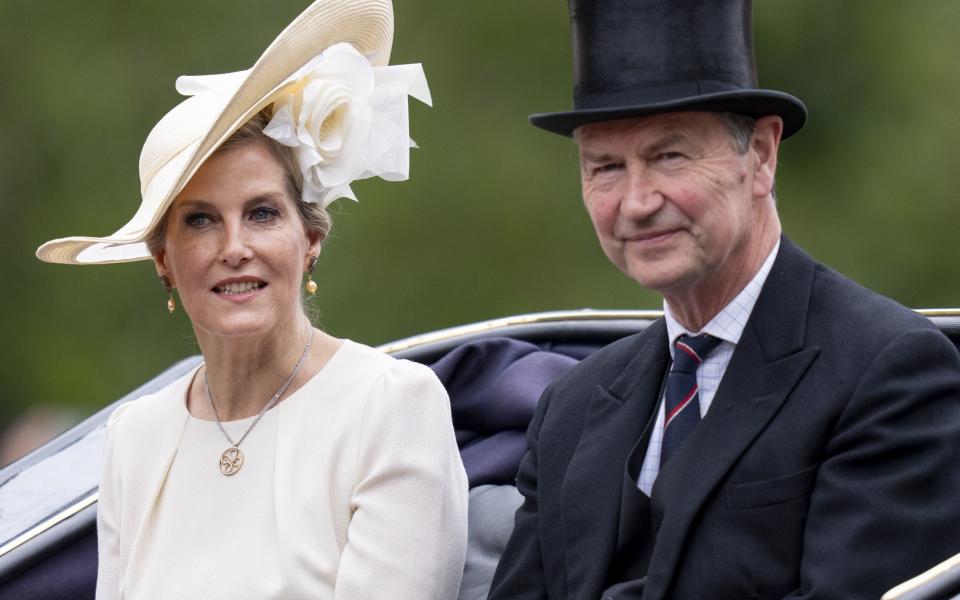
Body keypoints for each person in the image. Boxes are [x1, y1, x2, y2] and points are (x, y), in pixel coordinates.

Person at [487, 1, 960, 599]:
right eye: (605, 167)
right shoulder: (570, 409)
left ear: (761, 155)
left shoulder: (890, 373)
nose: (635, 202)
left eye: (669, 155)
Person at [36, 1, 468, 598]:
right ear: (164, 259)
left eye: (262, 213)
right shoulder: (134, 436)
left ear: (310, 238)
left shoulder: (392, 407)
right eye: (201, 221)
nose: (234, 248)